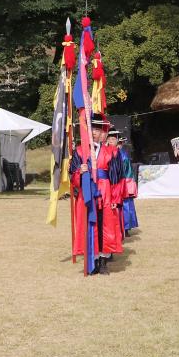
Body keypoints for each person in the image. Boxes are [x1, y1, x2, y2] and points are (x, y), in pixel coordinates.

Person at [69, 116, 124, 274]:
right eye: (93, 129)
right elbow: (72, 174)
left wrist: (115, 198)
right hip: (88, 192)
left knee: (105, 225)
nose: (95, 133)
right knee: (89, 225)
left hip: (106, 192)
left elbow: (117, 177)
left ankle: (103, 261)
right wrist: (81, 171)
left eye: (99, 130)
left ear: (104, 133)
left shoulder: (112, 152)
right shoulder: (80, 151)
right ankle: (91, 260)